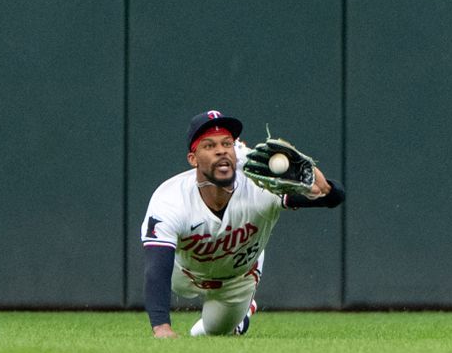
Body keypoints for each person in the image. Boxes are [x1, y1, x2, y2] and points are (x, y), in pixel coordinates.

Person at [140, 110, 345, 338]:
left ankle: (242, 313)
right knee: (168, 277)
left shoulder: (262, 188)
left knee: (212, 332)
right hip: (182, 273)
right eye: (209, 146)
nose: (220, 150)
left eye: (227, 143)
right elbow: (156, 269)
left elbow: (333, 197)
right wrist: (161, 327)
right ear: (193, 159)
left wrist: (320, 184)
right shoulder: (170, 199)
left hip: (236, 279)